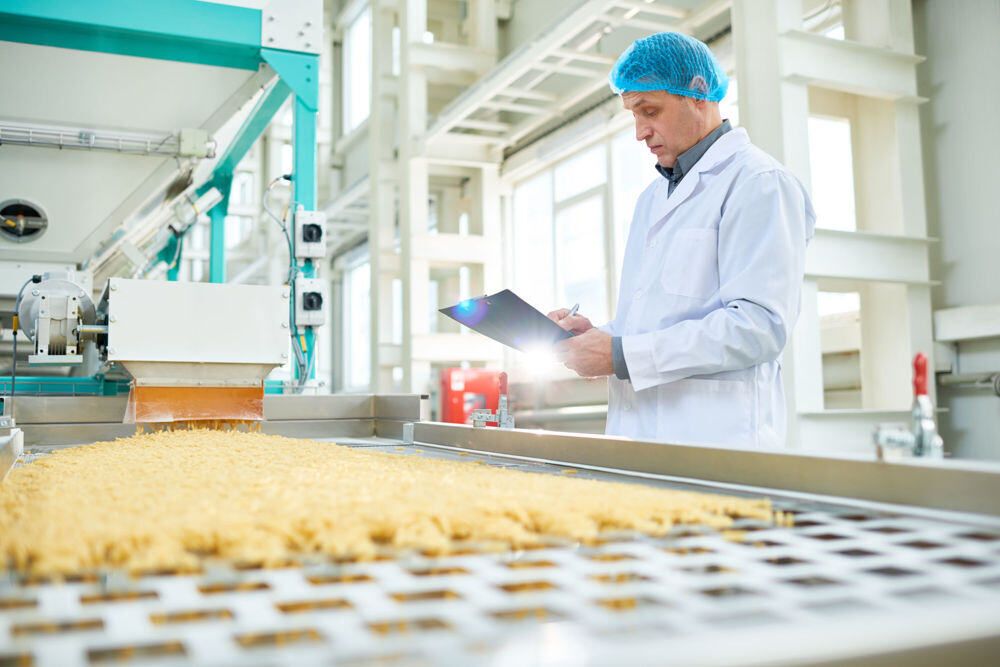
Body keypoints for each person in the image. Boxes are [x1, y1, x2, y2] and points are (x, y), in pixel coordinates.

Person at [549, 32, 815, 449]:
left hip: (717, 443)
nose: (640, 132)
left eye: (649, 110)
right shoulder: (651, 199)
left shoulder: (759, 183)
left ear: (698, 94)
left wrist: (621, 355)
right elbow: (650, 322)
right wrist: (596, 336)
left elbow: (760, 326)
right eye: (632, 116)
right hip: (637, 438)